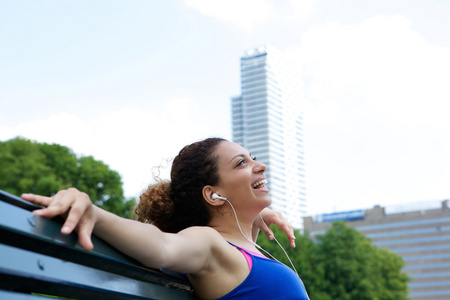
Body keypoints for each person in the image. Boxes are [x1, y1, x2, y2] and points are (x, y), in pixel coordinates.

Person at [22, 137, 310, 299]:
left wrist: (253, 214)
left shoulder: (242, 246)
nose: (260, 166)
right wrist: (93, 213)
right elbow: (161, 246)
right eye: (242, 163)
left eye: (252, 157)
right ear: (214, 195)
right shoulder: (210, 244)